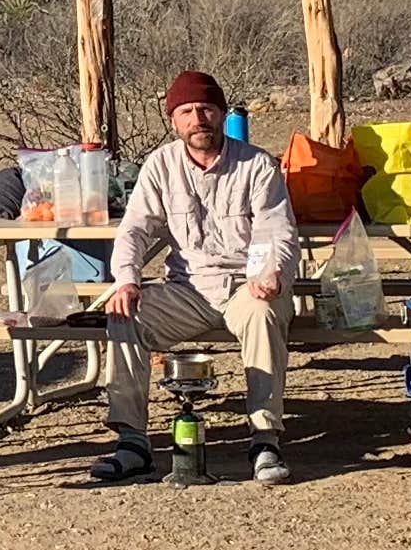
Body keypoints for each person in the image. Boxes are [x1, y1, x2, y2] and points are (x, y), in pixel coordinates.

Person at [89, 68, 296, 485]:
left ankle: (264, 439)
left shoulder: (257, 164)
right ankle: (132, 442)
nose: (197, 118)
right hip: (188, 290)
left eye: (206, 109)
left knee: (262, 314)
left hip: (246, 284)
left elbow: (277, 229)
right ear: (174, 121)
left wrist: (270, 273)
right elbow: (134, 228)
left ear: (221, 114)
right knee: (126, 315)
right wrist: (127, 279)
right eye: (187, 111)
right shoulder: (160, 166)